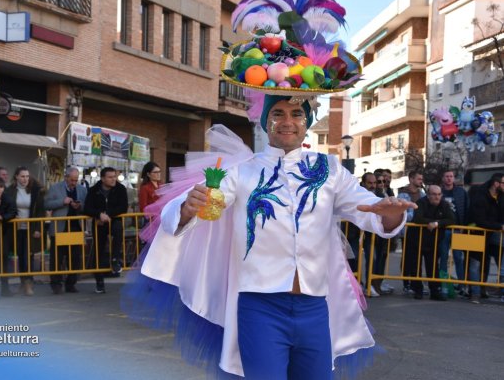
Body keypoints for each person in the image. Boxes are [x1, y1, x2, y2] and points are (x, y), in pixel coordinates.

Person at [136, 95, 414, 379]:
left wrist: (390, 213)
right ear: (265, 122)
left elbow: (370, 211)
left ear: (307, 122)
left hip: (315, 307)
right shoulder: (242, 171)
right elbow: (194, 206)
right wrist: (187, 208)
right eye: (278, 113)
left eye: (296, 114)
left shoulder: (329, 170)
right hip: (259, 308)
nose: (287, 122)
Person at [83, 167, 128, 292]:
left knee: (118, 230)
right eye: (110, 177)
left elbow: (123, 207)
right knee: (98, 251)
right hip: (99, 224)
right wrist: (99, 215)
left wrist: (107, 214)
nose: (113, 179)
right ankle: (99, 282)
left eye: (114, 176)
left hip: (114, 221)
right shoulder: (94, 190)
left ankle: (115, 259)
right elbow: (87, 208)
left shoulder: (120, 189)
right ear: (103, 179)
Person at [44, 167, 87, 294]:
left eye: (76, 180)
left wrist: (80, 205)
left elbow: (87, 205)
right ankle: (56, 284)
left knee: (74, 257)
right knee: (57, 257)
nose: (74, 183)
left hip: (75, 227)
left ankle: (71, 283)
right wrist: (62, 202)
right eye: (72, 180)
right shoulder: (55, 188)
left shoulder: (82, 190)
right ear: (66, 177)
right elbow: (46, 204)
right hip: (60, 227)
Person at [409, 185, 455, 301]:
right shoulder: (421, 202)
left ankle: (435, 291)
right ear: (428, 195)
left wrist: (436, 224)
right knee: (415, 266)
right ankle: (417, 290)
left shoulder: (443, 204)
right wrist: (432, 222)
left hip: (433, 241)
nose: (437, 197)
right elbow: (418, 218)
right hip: (416, 239)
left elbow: (452, 219)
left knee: (433, 266)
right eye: (434, 194)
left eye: (439, 194)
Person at [5, 166, 45, 296]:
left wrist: (38, 228)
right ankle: (23, 282)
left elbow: (40, 211)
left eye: (27, 176)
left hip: (31, 228)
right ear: (16, 176)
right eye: (22, 176)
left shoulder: (35, 190)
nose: (25, 179)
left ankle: (29, 282)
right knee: (21, 255)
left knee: (29, 255)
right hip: (16, 228)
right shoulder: (10, 191)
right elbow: (6, 207)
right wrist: (12, 216)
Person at [469, 173, 504, 303]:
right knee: (475, 264)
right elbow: (480, 219)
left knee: (489, 262)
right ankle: (475, 293)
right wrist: (499, 226)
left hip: (493, 235)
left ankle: (485, 289)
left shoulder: (500, 197)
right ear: (496, 183)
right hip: (477, 233)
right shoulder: (481, 196)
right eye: (503, 183)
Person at [439, 170, 469, 292]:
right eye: (446, 176)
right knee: (443, 256)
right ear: (443, 178)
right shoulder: (438, 192)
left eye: (451, 176)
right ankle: (443, 283)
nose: (449, 178)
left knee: (458, 258)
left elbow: (467, 208)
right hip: (443, 229)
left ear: (454, 178)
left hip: (458, 229)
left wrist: (465, 227)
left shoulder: (461, 192)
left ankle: (462, 285)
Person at [397, 170, 426, 294]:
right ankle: (406, 283)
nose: (421, 181)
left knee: (417, 258)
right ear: (411, 179)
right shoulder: (403, 194)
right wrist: (416, 216)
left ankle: (416, 283)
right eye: (419, 179)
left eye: (421, 179)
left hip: (419, 231)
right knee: (407, 257)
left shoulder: (422, 194)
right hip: (407, 231)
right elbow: (402, 212)